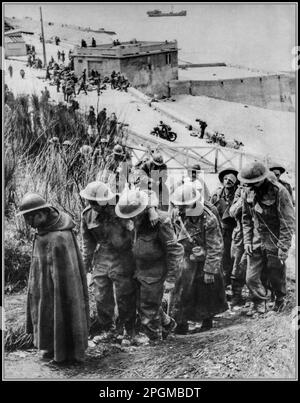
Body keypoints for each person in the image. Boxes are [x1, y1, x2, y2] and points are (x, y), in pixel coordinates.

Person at [17, 193, 89, 363]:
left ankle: (67, 352)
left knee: (62, 307)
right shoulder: (47, 230)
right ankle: (52, 347)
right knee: (49, 309)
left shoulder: (58, 236)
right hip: (46, 284)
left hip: (60, 286)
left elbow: (63, 272)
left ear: (41, 214)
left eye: (30, 219)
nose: (29, 223)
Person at [115, 188, 184, 343]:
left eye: (134, 215)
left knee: (148, 307)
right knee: (138, 302)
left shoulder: (160, 221)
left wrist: (171, 279)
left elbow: (175, 250)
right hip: (137, 269)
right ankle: (167, 324)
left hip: (155, 271)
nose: (131, 218)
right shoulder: (131, 221)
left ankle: (154, 340)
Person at [80, 182, 137, 344]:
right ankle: (108, 330)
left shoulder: (122, 207)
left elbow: (135, 233)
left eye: (95, 202)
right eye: (89, 202)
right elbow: (87, 244)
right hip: (102, 257)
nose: (92, 206)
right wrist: (85, 268)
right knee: (101, 296)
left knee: (125, 294)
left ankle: (128, 330)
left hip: (123, 256)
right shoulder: (87, 215)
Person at [170, 183, 227, 334]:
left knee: (205, 290)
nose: (180, 209)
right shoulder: (176, 214)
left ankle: (205, 323)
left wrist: (210, 270)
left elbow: (216, 247)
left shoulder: (208, 219)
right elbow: (173, 236)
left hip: (204, 259)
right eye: (179, 205)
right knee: (181, 290)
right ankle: (180, 324)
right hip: (185, 258)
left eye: (184, 205)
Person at [238, 161, 295, 315]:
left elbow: (288, 221)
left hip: (274, 239)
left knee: (275, 274)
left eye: (255, 182)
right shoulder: (247, 192)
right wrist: (248, 240)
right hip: (256, 239)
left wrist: (283, 247)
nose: (252, 185)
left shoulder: (279, 191)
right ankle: (260, 302)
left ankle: (279, 300)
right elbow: (246, 219)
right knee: (251, 277)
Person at [211, 167, 239, 287]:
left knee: (229, 255)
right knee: (217, 253)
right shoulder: (217, 194)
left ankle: (227, 280)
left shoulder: (238, 195)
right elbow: (210, 209)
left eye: (231, 179)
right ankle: (219, 280)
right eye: (226, 179)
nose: (227, 181)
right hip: (218, 228)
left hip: (232, 229)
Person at [229, 185, 248, 308]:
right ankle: (236, 295)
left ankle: (256, 298)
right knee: (237, 265)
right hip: (240, 234)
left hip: (256, 234)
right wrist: (243, 199)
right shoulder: (240, 191)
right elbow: (232, 212)